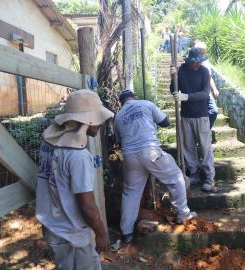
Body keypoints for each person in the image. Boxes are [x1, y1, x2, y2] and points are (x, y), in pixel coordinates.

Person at [36, 89, 113, 270]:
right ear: (88, 121)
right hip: (70, 235)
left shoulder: (50, 144)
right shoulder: (78, 156)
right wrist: (102, 234)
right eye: (98, 118)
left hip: (54, 226)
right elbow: (87, 206)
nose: (100, 123)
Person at [114, 90, 196, 244]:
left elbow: (119, 143)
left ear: (121, 102)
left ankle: (126, 233)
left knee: (130, 194)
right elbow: (165, 122)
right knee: (176, 178)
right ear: (133, 97)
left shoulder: (118, 117)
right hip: (150, 152)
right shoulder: (145, 104)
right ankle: (183, 214)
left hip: (130, 157)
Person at [170, 47, 216, 192]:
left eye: (199, 62)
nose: (197, 64)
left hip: (201, 115)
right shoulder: (181, 70)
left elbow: (205, 93)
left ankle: (209, 178)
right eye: (194, 62)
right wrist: (173, 77)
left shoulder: (204, 72)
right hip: (186, 115)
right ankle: (194, 173)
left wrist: (187, 97)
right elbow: (173, 90)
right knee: (188, 146)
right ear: (189, 60)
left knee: (205, 147)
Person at [194, 41, 219, 131]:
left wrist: (215, 89)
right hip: (195, 93)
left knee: (214, 111)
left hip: (206, 92)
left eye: (205, 52)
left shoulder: (206, 62)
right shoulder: (188, 63)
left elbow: (209, 77)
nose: (204, 54)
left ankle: (205, 131)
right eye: (202, 52)